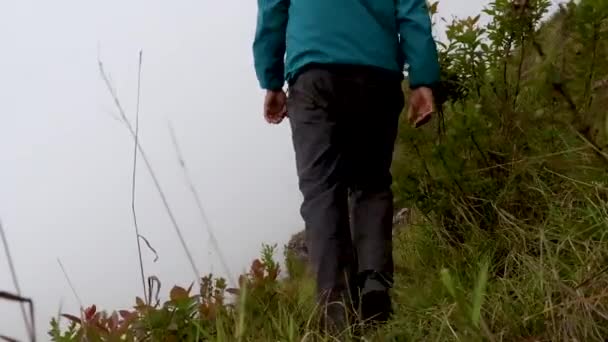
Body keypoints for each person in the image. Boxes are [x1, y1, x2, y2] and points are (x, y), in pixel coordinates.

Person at [252, 0, 440, 332]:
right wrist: (423, 78)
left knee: (322, 194)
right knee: (371, 183)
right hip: (376, 72)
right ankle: (374, 286)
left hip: (313, 74)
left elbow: (272, 11)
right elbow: (410, 9)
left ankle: (335, 315)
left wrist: (271, 80)